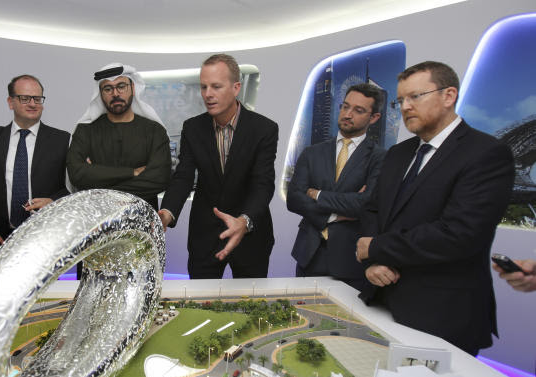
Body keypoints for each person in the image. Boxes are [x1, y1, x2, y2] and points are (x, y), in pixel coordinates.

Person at [355, 61, 514, 355]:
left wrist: (376, 249)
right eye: (400, 100)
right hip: (382, 300)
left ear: (449, 95)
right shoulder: (398, 154)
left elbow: (459, 234)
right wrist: (373, 263)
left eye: (416, 96)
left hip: (443, 315)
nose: (405, 107)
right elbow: (372, 211)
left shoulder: (486, 154)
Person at [158, 54, 278, 279]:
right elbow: (183, 176)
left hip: (250, 233)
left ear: (236, 88)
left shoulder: (264, 129)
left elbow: (262, 184)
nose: (208, 94)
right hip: (205, 234)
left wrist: (245, 221)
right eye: (203, 87)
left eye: (216, 86)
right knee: (199, 305)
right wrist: (167, 212)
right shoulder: (192, 127)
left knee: (249, 307)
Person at [287, 83, 386, 291]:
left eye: (358, 111)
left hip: (350, 258)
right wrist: (335, 215)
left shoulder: (380, 158)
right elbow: (294, 199)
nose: (348, 114)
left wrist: (317, 194)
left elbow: (364, 204)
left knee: (345, 322)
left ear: (374, 118)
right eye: (345, 107)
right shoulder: (312, 153)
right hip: (309, 253)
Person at [0, 74, 70, 255]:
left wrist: (54, 202)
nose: (32, 104)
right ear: (11, 102)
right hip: (0, 238)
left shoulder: (62, 140)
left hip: (47, 238)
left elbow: (74, 186)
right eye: (25, 98)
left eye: (37, 99)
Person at [67, 63, 171, 210]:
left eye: (121, 86)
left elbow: (159, 178)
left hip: (142, 221)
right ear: (100, 93)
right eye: (108, 89)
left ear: (133, 88)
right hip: (97, 221)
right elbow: (77, 174)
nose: (115, 93)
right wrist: (132, 172)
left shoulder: (154, 130)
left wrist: (97, 184)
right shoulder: (86, 130)